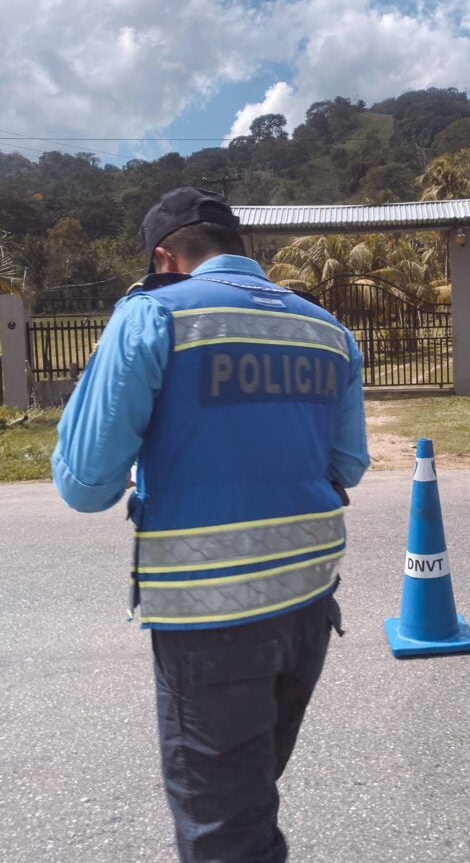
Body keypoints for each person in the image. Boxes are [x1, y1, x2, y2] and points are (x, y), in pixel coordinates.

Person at [52, 187, 370, 863]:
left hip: (207, 621)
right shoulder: (326, 329)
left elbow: (84, 483)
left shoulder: (151, 318)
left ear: (165, 257)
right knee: (247, 799)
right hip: (307, 608)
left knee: (225, 832)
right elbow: (347, 463)